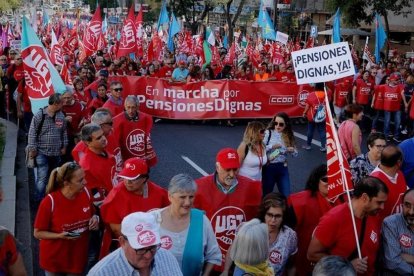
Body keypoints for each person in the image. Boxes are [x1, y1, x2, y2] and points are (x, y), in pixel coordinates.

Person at [194, 148, 262, 273]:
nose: (232, 174)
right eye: (227, 169)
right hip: (209, 257)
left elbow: (257, 220)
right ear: (217, 167)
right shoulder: (199, 187)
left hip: (240, 258)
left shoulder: (252, 187)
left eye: (235, 169)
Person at [307, 176, 389, 275]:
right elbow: (312, 254)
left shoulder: (374, 215)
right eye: (379, 202)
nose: (382, 207)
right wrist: (347, 265)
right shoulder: (334, 219)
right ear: (365, 198)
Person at [34, 162, 99, 275]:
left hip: (77, 257)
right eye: (80, 180)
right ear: (66, 183)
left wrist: (95, 218)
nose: (85, 182)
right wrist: (60, 236)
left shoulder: (86, 193)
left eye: (84, 178)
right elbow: (38, 233)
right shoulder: (50, 202)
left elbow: (92, 212)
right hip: (54, 259)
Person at [151, 174, 221, 276]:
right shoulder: (153, 219)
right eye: (182, 197)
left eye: (191, 197)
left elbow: (214, 255)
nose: (188, 202)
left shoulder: (201, 220)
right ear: (170, 196)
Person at [100, 157, 169, 258]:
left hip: (154, 244)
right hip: (129, 245)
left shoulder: (159, 193)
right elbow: (116, 229)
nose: (128, 182)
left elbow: (170, 214)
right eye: (125, 177)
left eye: (133, 179)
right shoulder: (116, 195)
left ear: (144, 179)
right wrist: (140, 244)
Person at [88, 212, 183, 276]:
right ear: (122, 242)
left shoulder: (167, 257)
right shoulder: (101, 273)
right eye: (140, 249)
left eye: (153, 247)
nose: (148, 255)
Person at [286, 164, 340, 276]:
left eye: (333, 178)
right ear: (316, 181)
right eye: (325, 179)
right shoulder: (301, 202)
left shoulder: (343, 201)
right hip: (302, 258)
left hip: (330, 262)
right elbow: (286, 231)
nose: (330, 182)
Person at [27, 93, 68, 202]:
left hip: (56, 153)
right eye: (61, 103)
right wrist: (33, 148)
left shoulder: (60, 115)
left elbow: (64, 132)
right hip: (41, 152)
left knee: (53, 177)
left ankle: (50, 200)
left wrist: (64, 146)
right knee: (42, 178)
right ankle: (39, 201)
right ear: (55, 103)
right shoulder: (40, 115)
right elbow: (32, 133)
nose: (63, 105)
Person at [257, 193, 297, 275]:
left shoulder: (290, 236)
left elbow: (291, 265)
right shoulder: (251, 230)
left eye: (278, 216)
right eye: (269, 215)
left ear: (283, 217)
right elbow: (234, 251)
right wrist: (226, 270)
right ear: (263, 214)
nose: (273, 220)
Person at [113, 95, 157, 167]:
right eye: (128, 107)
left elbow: (147, 137)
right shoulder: (117, 120)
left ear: (137, 107)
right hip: (126, 155)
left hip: (141, 154)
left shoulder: (145, 118)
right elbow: (115, 142)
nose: (130, 110)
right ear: (125, 107)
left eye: (133, 107)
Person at [79, 123, 117, 206]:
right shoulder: (86, 166)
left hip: (115, 196)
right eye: (99, 138)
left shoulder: (103, 151)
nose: (104, 138)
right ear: (88, 142)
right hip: (108, 205)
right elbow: (96, 197)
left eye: (103, 135)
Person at [262, 112, 298, 197]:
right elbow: (261, 149)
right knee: (266, 195)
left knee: (287, 195)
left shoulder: (288, 135)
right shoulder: (268, 133)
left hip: (282, 167)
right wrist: (272, 146)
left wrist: (292, 150)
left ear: (286, 124)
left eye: (281, 124)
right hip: (269, 167)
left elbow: (296, 154)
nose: (277, 126)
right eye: (275, 123)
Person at [370, 144, 408, 220]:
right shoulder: (375, 182)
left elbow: (406, 191)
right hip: (385, 228)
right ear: (399, 162)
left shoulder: (398, 174)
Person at [381, 188, 414, 274]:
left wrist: (403, 256)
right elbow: (393, 261)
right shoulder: (391, 223)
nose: (411, 212)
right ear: (402, 204)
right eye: (407, 205)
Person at [381, 73, 407, 142]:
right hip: (387, 108)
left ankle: (396, 136)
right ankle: (386, 136)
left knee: (398, 122)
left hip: (397, 108)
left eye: (398, 79)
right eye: (396, 79)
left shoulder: (400, 86)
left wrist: (405, 103)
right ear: (392, 80)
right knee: (387, 122)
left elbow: (402, 94)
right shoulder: (384, 86)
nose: (398, 81)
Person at [302, 82, 327, 152]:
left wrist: (304, 113)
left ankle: (308, 145)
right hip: (322, 116)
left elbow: (307, 106)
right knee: (322, 131)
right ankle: (323, 146)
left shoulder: (311, 94)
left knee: (310, 131)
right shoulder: (327, 94)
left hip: (312, 116)